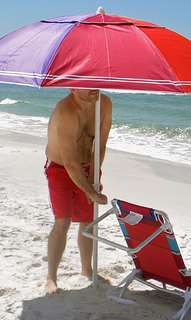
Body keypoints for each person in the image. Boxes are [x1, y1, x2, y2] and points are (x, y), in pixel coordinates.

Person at [44, 89, 112, 294]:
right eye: (87, 83)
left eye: (96, 81)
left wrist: (93, 178)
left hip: (89, 166)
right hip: (60, 168)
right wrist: (91, 192)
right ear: (73, 88)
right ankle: (51, 277)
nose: (95, 87)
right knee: (62, 222)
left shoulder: (104, 103)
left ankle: (86, 269)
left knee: (88, 222)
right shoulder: (65, 110)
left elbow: (101, 144)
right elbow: (70, 162)